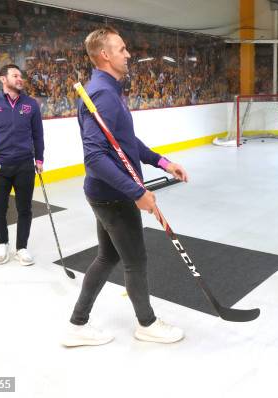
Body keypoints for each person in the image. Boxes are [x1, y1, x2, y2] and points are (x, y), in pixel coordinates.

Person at [62, 27, 189, 347]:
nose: (128, 53)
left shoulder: (107, 88)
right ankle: (146, 323)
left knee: (107, 257)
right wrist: (136, 193)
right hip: (114, 197)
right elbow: (94, 156)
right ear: (104, 55)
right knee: (135, 261)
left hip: (107, 194)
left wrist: (161, 161)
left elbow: (124, 141)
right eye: (121, 49)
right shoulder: (103, 93)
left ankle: (77, 324)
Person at [0, 64, 45, 266]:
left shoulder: (31, 104)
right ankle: (2, 243)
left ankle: (22, 247)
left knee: (25, 209)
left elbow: (38, 135)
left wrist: (39, 159)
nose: (20, 78)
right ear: (3, 79)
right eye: (15, 75)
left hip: (24, 165)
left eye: (21, 76)